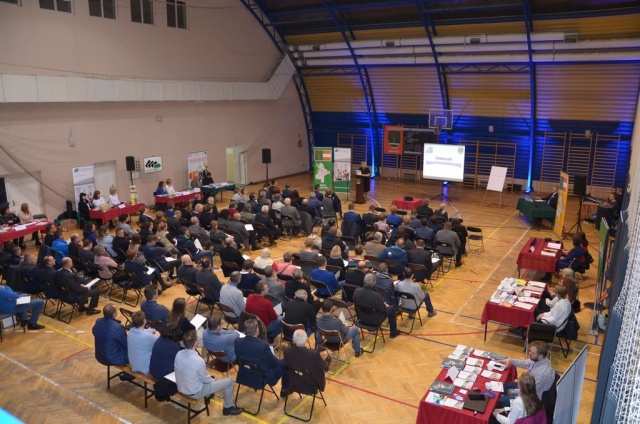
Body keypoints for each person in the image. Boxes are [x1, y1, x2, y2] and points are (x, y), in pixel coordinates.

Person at [174, 330, 243, 416]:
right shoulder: (198, 360)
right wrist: (213, 380)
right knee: (229, 382)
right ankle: (228, 408)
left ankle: (208, 395)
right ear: (196, 342)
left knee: (207, 377)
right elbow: (206, 379)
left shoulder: (179, 354)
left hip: (181, 388)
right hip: (194, 392)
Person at [234, 319, 289, 398]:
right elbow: (275, 363)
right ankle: (284, 389)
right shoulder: (263, 345)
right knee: (285, 363)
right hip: (260, 377)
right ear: (257, 330)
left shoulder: (237, 341)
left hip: (244, 373)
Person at [497, 341, 555, 406]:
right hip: (526, 386)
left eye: (532, 353)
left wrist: (514, 391)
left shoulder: (543, 373)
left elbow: (531, 391)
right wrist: (510, 360)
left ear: (540, 356)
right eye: (530, 351)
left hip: (531, 397)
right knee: (501, 386)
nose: (529, 353)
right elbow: (524, 363)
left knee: (499, 401)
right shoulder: (538, 359)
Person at [353, 273, 400, 338]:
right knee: (391, 308)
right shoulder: (376, 296)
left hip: (361, 318)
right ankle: (393, 332)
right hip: (374, 320)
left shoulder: (356, 291)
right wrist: (385, 305)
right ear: (374, 282)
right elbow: (383, 311)